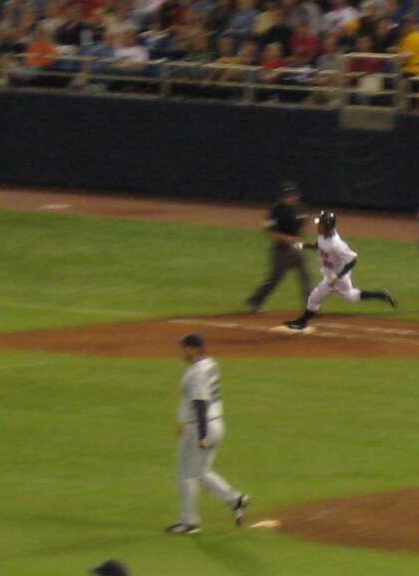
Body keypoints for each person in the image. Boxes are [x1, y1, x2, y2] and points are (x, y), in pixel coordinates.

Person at [165, 333, 250, 535]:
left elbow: (200, 403)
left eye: (184, 347)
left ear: (194, 349)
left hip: (200, 427)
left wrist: (201, 435)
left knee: (186, 474)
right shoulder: (210, 364)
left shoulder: (196, 373)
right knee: (201, 472)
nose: (181, 351)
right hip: (216, 424)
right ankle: (236, 500)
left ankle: (189, 522)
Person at [283, 211, 396, 331]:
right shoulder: (322, 235)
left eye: (320, 224)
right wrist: (303, 245)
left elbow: (352, 261)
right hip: (332, 275)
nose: (318, 226)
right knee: (350, 296)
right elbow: (318, 246)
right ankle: (380, 295)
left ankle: (301, 322)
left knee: (314, 298)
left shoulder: (337, 244)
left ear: (327, 226)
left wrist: (337, 276)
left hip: (337, 278)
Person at [246, 182, 311, 312]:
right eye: (288, 196)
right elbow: (268, 231)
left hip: (296, 250)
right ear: (282, 197)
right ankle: (255, 301)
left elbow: (304, 223)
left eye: (293, 195)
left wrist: (299, 236)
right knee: (274, 279)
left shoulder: (301, 208)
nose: (291, 198)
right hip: (280, 251)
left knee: (305, 276)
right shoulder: (275, 210)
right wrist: (286, 239)